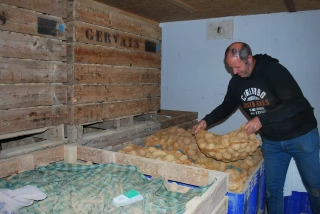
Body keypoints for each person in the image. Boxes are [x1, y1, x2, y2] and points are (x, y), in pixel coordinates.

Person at [192, 42, 320, 213]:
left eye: (237, 67)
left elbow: (296, 102)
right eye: (231, 68)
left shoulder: (272, 70)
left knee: (314, 186)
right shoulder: (237, 82)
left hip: (301, 135)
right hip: (273, 142)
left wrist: (262, 119)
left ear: (249, 59)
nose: (235, 72)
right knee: (272, 191)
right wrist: (206, 121)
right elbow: (226, 106)